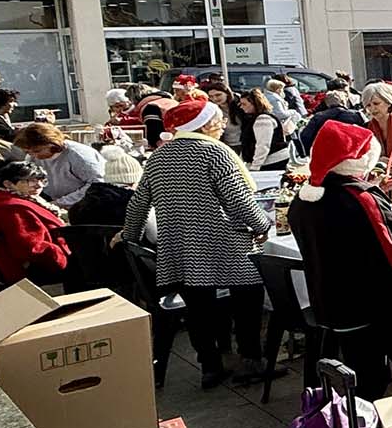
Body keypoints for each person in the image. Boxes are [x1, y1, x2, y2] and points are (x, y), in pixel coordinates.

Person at [123, 98, 272, 389]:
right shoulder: (215, 152)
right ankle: (250, 359)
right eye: (217, 122)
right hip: (222, 240)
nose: (221, 128)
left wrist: (129, 235)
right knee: (248, 294)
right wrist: (262, 225)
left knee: (198, 306)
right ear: (203, 125)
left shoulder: (158, 157)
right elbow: (239, 200)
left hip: (179, 243)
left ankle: (210, 365)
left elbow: (139, 203)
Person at [287, 120, 392, 398]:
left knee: (369, 379)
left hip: (337, 306)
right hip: (382, 304)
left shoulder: (303, 200)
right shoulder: (360, 199)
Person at [0, 161, 69, 285]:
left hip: (27, 264)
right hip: (38, 267)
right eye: (31, 181)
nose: (39, 185)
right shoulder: (14, 209)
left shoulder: (3, 199)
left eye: (42, 180)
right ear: (8, 184)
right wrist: (59, 254)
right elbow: (29, 247)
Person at [14, 122, 103, 208]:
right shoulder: (32, 157)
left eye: (37, 151)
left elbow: (98, 185)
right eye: (28, 152)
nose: (33, 155)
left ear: (53, 143)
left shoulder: (79, 155)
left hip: (87, 204)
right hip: (53, 200)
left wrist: (61, 203)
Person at [233, 89, 290, 172]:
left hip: (271, 161)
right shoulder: (255, 118)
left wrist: (255, 167)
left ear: (255, 104)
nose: (241, 107)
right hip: (270, 160)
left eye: (244, 104)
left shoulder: (263, 119)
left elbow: (263, 145)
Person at [297, 90, 367, 152]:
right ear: (343, 102)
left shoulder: (317, 117)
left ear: (327, 103)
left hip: (325, 153)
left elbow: (305, 138)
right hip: (352, 151)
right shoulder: (357, 115)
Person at [200, 79, 245, 150]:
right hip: (225, 146)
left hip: (244, 144)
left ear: (227, 93)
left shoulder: (240, 106)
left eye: (218, 95)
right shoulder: (212, 111)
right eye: (211, 96)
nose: (215, 98)